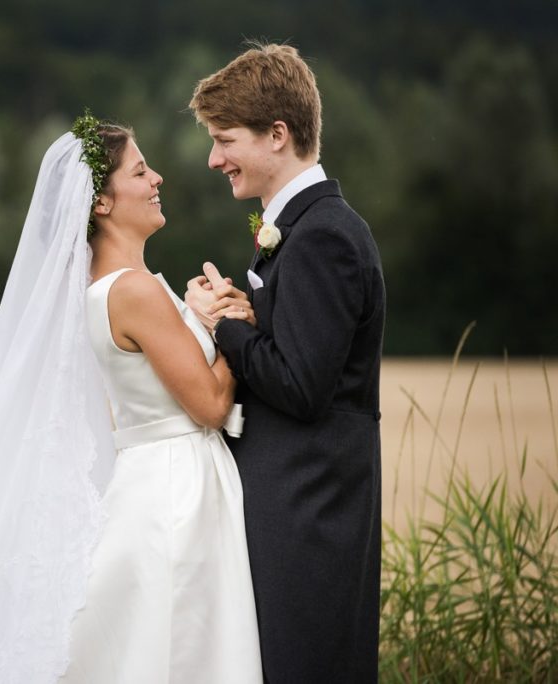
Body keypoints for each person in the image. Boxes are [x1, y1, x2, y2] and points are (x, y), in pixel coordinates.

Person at [0, 112, 262, 684]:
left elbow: (159, 372)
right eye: (140, 171)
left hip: (152, 477)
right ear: (101, 203)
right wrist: (238, 330)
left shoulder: (111, 287)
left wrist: (200, 324)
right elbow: (207, 405)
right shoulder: (133, 289)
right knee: (183, 649)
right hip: (177, 490)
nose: (157, 179)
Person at [185, 43, 386, 683]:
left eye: (225, 140)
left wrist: (226, 327)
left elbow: (301, 387)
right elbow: (300, 352)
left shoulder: (323, 235)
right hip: (293, 505)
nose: (214, 158)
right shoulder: (301, 230)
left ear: (278, 135)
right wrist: (249, 317)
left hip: (308, 514)